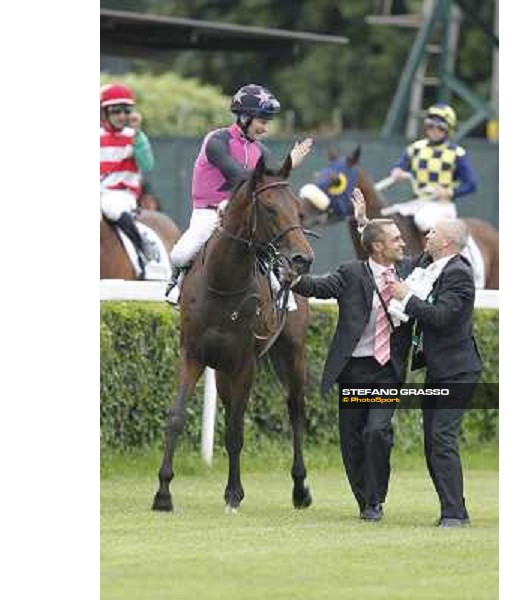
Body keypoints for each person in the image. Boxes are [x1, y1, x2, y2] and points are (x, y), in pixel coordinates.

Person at [291, 191, 414, 522]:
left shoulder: (409, 271)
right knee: (352, 441)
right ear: (377, 247)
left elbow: (426, 259)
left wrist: (363, 221)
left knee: (376, 432)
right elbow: (318, 287)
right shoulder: (351, 273)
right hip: (354, 371)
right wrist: (288, 277)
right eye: (396, 239)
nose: (403, 243)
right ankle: (364, 500)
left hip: (387, 372)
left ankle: (376, 500)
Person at [165, 83, 313, 305]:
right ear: (244, 117)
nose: (265, 128)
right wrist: (288, 162)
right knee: (180, 255)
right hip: (209, 213)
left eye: (267, 122)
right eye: (262, 121)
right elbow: (239, 176)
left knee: (271, 254)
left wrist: (288, 166)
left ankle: (280, 294)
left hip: (244, 214)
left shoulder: (262, 150)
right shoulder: (217, 140)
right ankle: (177, 284)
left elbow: (269, 183)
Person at [389, 218, 483, 528]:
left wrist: (406, 297)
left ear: (446, 243)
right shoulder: (430, 264)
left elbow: (441, 317)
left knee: (441, 438)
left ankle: (454, 515)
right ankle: (455, 511)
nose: (426, 235)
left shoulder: (459, 273)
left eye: (433, 233)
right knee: (433, 441)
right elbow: (394, 258)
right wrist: (363, 225)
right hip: (440, 371)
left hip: (459, 372)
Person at [387, 103, 477, 232]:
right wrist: (397, 171)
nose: (434, 130)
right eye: (430, 125)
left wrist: (449, 192)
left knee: (423, 219)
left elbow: (471, 184)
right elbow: (400, 165)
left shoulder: (457, 153)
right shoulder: (415, 148)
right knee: (389, 220)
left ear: (448, 129)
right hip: (417, 203)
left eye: (440, 127)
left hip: (442, 206)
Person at [100, 83, 157, 276]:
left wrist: (138, 136)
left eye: (126, 111)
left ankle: (142, 249)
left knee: (111, 208)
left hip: (121, 195)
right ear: (104, 112)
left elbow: (147, 165)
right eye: (116, 111)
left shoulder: (136, 137)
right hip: (99, 192)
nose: (122, 116)